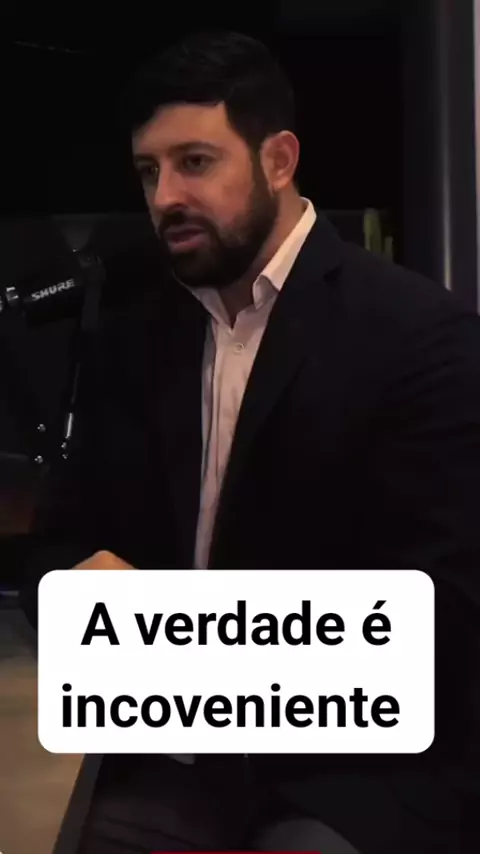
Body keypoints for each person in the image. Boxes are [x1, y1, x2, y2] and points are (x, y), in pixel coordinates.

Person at [20, 29, 480, 854]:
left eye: (195, 162)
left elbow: (439, 622)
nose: (165, 196)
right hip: (164, 761)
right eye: (148, 172)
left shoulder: (420, 335)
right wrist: (77, 587)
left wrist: (168, 637)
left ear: (279, 160)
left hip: (347, 776)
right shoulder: (135, 336)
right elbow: (53, 551)